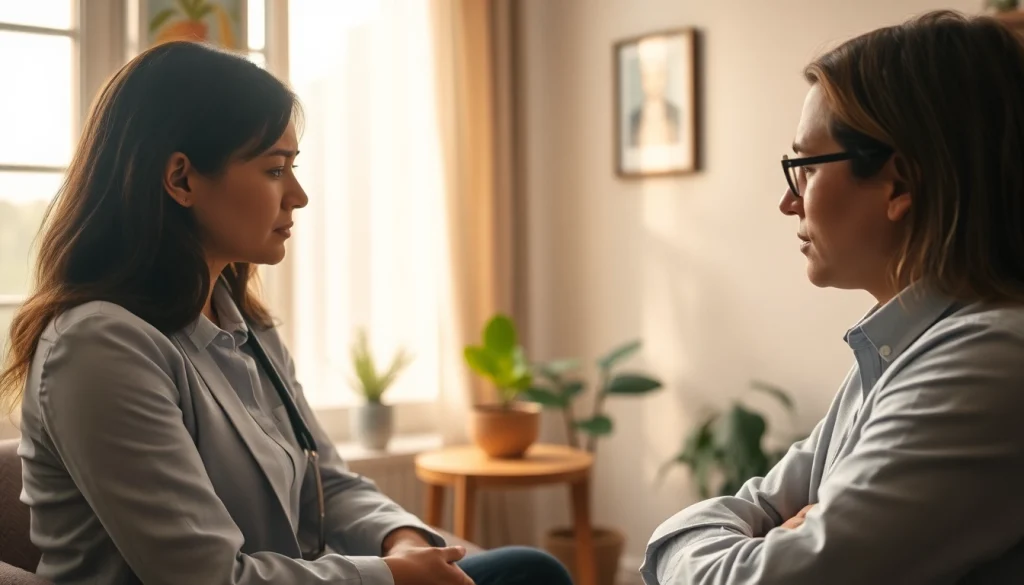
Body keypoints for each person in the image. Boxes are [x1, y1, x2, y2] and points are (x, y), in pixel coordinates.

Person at [0, 41, 571, 585]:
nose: (298, 195)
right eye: (276, 169)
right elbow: (204, 577)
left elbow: (325, 479)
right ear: (181, 179)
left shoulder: (245, 325)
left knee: (527, 569)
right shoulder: (99, 346)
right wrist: (390, 577)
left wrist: (399, 537)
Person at [643, 10, 1024, 585]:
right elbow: (763, 506)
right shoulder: (900, 346)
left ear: (899, 184)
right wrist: (772, 532)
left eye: (803, 167)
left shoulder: (985, 360)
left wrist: (699, 540)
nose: (788, 202)